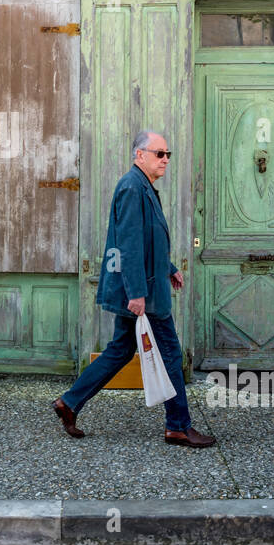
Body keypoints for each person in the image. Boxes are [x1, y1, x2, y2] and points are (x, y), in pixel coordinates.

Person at [52, 130, 216, 448]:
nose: (166, 159)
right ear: (139, 155)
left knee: (121, 349)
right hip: (145, 294)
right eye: (160, 153)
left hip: (146, 286)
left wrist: (168, 268)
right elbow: (128, 244)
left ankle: (69, 402)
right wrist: (137, 293)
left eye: (168, 154)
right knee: (170, 353)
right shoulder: (132, 187)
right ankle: (178, 426)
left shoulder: (143, 186)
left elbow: (146, 240)